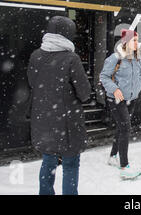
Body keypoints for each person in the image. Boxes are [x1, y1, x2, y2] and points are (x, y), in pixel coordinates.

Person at [27, 16, 91, 195]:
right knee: (70, 164)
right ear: (68, 34)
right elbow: (85, 93)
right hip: (67, 124)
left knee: (48, 161)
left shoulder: (35, 56)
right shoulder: (71, 59)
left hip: (43, 120)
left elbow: (33, 83)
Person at [100, 29, 141, 179]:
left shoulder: (137, 58)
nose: (138, 43)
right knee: (126, 129)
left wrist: (138, 89)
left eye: (138, 40)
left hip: (132, 99)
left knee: (121, 127)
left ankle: (113, 156)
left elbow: (139, 75)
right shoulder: (115, 58)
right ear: (126, 42)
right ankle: (124, 167)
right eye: (135, 40)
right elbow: (103, 77)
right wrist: (115, 89)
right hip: (117, 99)